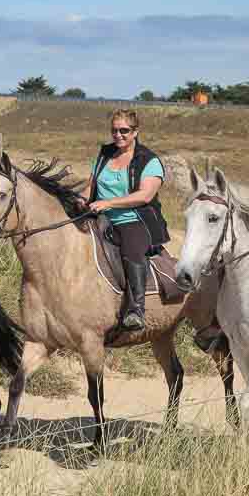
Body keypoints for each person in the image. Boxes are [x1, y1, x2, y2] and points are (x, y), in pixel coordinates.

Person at [82, 108, 170, 331]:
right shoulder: (104, 154)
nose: (118, 135)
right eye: (114, 131)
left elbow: (145, 195)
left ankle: (136, 309)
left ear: (135, 131)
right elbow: (90, 186)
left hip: (134, 218)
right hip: (99, 216)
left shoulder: (149, 160)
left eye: (124, 131)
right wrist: (80, 201)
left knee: (131, 250)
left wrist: (109, 203)